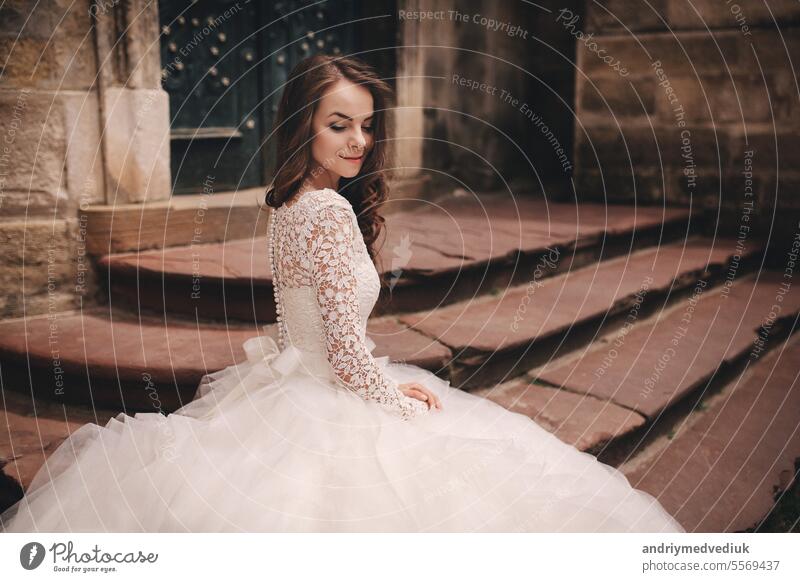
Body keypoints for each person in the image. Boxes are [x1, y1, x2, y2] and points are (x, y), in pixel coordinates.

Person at [0, 54, 684, 533]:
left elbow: (312, 330)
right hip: (330, 392)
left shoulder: (289, 200)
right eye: (338, 124)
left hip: (291, 384)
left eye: (365, 123)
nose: (358, 139)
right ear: (304, 122)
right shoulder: (324, 211)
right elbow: (345, 351)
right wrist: (395, 398)